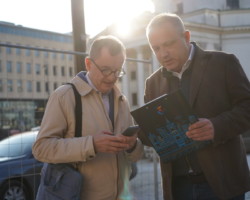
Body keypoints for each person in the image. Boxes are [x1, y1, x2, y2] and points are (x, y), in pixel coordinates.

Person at [140, 13, 250, 200]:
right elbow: (152, 135)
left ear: (187, 37)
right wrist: (135, 135)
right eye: (156, 48)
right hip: (178, 187)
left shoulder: (224, 63)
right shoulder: (152, 83)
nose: (163, 54)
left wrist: (216, 126)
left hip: (221, 184)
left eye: (168, 44)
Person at [32, 35, 143, 200]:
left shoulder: (122, 100)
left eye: (118, 71)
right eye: (105, 70)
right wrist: (91, 144)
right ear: (88, 64)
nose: (112, 77)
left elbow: (135, 156)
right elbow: (41, 148)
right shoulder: (64, 96)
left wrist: (132, 146)